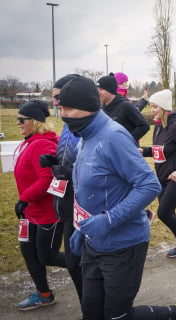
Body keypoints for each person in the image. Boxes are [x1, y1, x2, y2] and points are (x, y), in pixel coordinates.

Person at [58, 75, 176, 320]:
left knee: (117, 316)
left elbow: (149, 185)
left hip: (123, 244)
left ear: (88, 108)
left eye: (68, 109)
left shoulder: (113, 137)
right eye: (60, 109)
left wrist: (108, 219)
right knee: (91, 312)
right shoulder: (85, 138)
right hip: (94, 242)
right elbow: (87, 187)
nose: (63, 115)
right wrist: (81, 227)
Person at [13, 100, 66, 311]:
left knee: (47, 255)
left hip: (47, 213)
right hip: (29, 212)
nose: (17, 123)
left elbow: (47, 179)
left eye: (21, 120)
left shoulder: (42, 144)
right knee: (28, 251)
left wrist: (25, 198)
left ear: (33, 122)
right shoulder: (29, 141)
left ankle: (89, 267)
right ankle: (44, 294)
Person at [38, 74, 83, 304]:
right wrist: (55, 159)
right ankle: (90, 307)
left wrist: (70, 172)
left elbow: (94, 164)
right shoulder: (67, 123)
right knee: (74, 261)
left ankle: (95, 308)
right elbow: (68, 152)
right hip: (66, 202)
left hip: (83, 203)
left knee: (81, 261)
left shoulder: (87, 124)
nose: (55, 102)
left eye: (58, 97)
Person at [140, 89, 176, 260]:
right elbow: (161, 150)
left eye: (155, 106)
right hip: (162, 177)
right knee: (168, 212)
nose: (152, 110)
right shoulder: (159, 126)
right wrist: (143, 151)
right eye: (151, 106)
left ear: (164, 107)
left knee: (164, 212)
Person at [97, 73, 150, 144]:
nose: (98, 92)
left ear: (111, 90)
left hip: (126, 152)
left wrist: (126, 140)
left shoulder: (125, 105)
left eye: (101, 89)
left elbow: (144, 126)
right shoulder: (101, 109)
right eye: (97, 89)